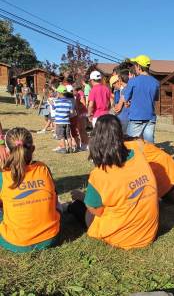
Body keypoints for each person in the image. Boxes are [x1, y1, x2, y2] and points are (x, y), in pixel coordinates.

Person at [69, 114, 158, 250]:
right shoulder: (138, 155)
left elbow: (97, 211)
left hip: (123, 238)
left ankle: (70, 206)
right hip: (148, 232)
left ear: (96, 137)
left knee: (78, 206)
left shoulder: (99, 174)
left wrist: (82, 197)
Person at [0, 127, 60, 252]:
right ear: (33, 149)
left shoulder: (3, 176)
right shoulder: (43, 168)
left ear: (6, 150)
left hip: (16, 242)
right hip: (52, 237)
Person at [123, 55, 159, 143]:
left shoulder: (132, 81)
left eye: (135, 66)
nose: (134, 68)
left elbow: (125, 99)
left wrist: (128, 103)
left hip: (136, 117)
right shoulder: (156, 82)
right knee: (149, 146)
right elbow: (155, 98)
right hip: (150, 118)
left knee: (131, 145)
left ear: (139, 67)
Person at [52, 85, 73, 154]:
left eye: (57, 92)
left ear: (59, 93)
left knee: (61, 136)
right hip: (67, 122)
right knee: (68, 136)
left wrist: (51, 103)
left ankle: (63, 149)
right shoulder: (69, 102)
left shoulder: (57, 102)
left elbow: (53, 108)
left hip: (59, 122)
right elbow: (71, 112)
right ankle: (70, 148)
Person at [74, 85, 89, 151]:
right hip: (80, 113)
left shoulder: (80, 93)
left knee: (82, 129)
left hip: (82, 113)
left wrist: (77, 108)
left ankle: (86, 144)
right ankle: (83, 143)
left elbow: (83, 103)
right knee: (80, 130)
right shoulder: (78, 93)